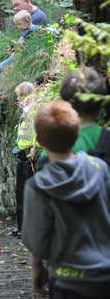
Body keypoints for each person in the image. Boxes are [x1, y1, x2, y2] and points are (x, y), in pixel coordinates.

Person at [22, 100, 110, 297]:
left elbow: (37, 239)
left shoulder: (38, 185)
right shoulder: (99, 168)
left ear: (40, 141)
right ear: (77, 134)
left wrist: (37, 269)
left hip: (67, 278)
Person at [0, 10, 40, 117]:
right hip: (17, 56)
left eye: (19, 24)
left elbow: (25, 50)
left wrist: (15, 51)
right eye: (17, 25)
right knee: (0, 67)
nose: (18, 27)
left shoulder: (31, 31)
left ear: (28, 21)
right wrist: (13, 49)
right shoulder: (27, 31)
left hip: (19, 59)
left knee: (1, 68)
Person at [11, 81, 38, 239]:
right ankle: (22, 228)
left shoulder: (32, 111)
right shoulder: (27, 111)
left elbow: (36, 131)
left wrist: (33, 149)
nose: (18, 99)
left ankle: (26, 229)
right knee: (21, 192)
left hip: (29, 154)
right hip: (23, 152)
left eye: (18, 96)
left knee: (25, 192)